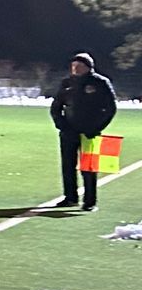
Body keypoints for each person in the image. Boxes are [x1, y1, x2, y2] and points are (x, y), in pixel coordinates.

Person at [52, 51, 118, 212]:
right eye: (73, 65)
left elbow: (110, 108)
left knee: (89, 168)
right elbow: (56, 107)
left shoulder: (100, 82)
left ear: (88, 67)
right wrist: (61, 125)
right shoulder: (67, 83)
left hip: (90, 133)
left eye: (79, 65)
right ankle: (70, 197)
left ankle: (90, 201)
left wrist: (97, 128)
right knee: (68, 166)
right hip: (69, 132)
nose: (75, 68)